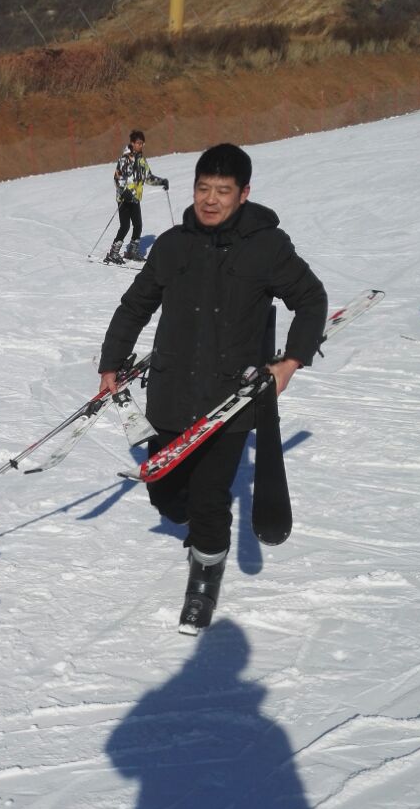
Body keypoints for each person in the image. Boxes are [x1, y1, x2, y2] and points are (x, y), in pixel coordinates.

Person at [97, 142, 328, 631]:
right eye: (203, 188)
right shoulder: (174, 245)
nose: (210, 200)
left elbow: (310, 299)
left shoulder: (268, 246)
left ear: (244, 193)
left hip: (230, 402)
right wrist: (111, 363)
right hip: (171, 393)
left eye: (223, 191)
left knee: (208, 498)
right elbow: (135, 306)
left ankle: (204, 578)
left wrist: (289, 363)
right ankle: (196, 529)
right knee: (165, 491)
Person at [103, 129, 169, 266]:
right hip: (124, 198)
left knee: (138, 225)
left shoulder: (142, 161)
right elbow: (117, 177)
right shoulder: (124, 159)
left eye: (142, 143)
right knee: (125, 226)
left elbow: (148, 178)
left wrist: (161, 181)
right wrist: (123, 191)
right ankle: (113, 253)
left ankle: (132, 251)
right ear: (132, 143)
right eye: (138, 143)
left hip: (135, 198)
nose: (140, 145)